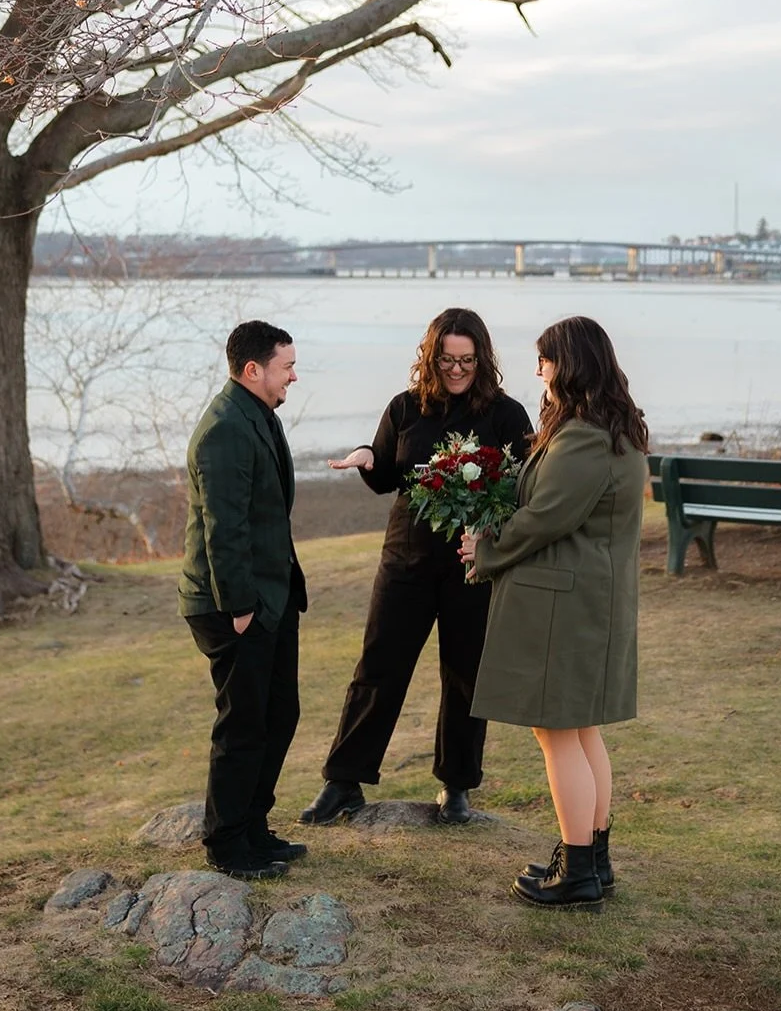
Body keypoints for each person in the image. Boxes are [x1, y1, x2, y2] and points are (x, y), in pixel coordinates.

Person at [300, 308, 531, 828]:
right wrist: (366, 457)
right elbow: (385, 473)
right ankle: (343, 782)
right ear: (431, 357)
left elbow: (525, 487)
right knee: (379, 668)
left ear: (482, 359)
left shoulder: (507, 414)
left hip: (472, 564)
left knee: (465, 675)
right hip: (405, 559)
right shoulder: (405, 408)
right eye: (447, 360)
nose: (456, 370)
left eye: (467, 360)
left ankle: (457, 786)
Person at [460, 315, 647, 911]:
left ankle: (578, 874)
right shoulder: (608, 429)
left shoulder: (585, 437)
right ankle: (590, 857)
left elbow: (547, 517)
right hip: (585, 596)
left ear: (568, 364)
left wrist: (485, 549)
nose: (537, 369)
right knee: (580, 727)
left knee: (556, 729)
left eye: (543, 360)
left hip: (565, 602)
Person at [178, 320, 308, 880]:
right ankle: (227, 845)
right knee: (243, 724)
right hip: (232, 603)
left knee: (279, 713)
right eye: (287, 367)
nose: (294, 377)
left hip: (268, 596)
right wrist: (240, 608)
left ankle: (254, 826)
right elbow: (222, 527)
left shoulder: (258, 415)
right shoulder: (225, 429)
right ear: (253, 370)